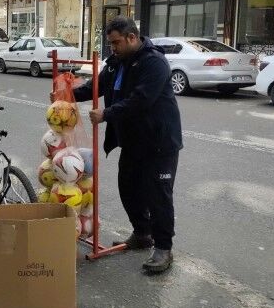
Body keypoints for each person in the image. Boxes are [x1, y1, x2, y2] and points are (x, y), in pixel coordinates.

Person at [59, 17, 182, 273]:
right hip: (133, 141)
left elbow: (142, 100)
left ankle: (163, 248)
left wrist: (106, 114)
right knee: (128, 188)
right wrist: (68, 93)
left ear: (132, 37)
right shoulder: (117, 63)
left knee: (158, 194)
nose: (112, 48)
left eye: (116, 42)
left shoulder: (154, 63)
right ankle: (142, 233)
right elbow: (98, 86)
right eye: (110, 43)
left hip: (159, 141)